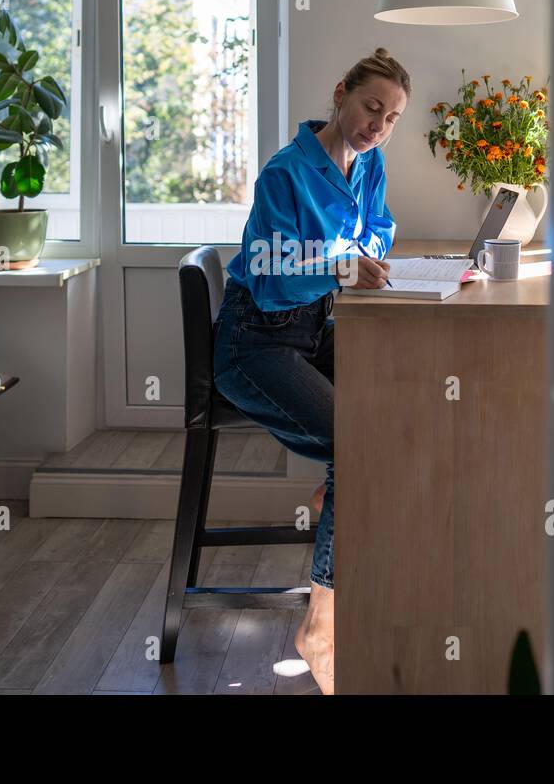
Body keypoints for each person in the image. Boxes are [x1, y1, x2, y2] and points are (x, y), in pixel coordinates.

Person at [212, 48, 411, 694]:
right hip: (256, 342)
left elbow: (378, 229)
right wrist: (338, 266)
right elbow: (268, 281)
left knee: (398, 404)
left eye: (391, 118)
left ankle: (336, 490)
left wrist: (362, 255)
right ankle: (321, 628)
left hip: (313, 329)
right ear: (340, 94)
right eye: (370, 108)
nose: (377, 127)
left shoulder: (369, 164)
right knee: (362, 447)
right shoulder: (285, 175)